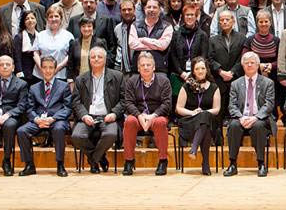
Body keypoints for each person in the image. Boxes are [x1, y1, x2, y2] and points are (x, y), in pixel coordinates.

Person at [17, 56, 72, 177]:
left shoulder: (64, 86)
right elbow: (29, 108)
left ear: (55, 69)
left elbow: (67, 108)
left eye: (51, 67)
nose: (48, 70)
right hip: (39, 120)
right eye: (45, 67)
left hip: (57, 120)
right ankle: (29, 165)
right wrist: (36, 119)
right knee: (22, 131)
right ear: (41, 69)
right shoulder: (33, 88)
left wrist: (53, 118)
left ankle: (60, 164)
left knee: (59, 129)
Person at [71, 46, 123, 174]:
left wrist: (114, 113)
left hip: (107, 117)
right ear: (89, 60)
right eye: (93, 57)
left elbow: (124, 100)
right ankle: (100, 157)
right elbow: (76, 102)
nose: (96, 59)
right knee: (77, 136)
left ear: (105, 60)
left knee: (111, 134)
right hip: (88, 117)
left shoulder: (117, 76)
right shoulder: (80, 79)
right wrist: (83, 116)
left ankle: (93, 160)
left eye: (99, 57)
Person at [224, 52, 276, 177]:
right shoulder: (235, 84)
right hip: (241, 117)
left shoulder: (268, 83)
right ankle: (232, 164)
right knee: (234, 126)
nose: (249, 65)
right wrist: (241, 117)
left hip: (259, 118)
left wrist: (255, 117)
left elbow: (268, 105)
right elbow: (232, 105)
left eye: (252, 62)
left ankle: (261, 163)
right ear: (242, 66)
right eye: (246, 63)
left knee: (258, 126)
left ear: (258, 65)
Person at [121, 52, 173, 176]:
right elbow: (128, 103)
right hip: (138, 116)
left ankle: (162, 160)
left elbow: (167, 104)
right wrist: (139, 115)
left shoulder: (163, 81)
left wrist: (152, 116)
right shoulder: (131, 81)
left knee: (160, 122)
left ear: (154, 67)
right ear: (138, 68)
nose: (145, 67)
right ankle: (129, 160)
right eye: (142, 65)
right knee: (129, 121)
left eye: (148, 65)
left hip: (156, 116)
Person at [175, 57, 220, 176]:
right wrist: (193, 112)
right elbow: (178, 108)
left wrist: (202, 113)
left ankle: (194, 149)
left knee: (205, 117)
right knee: (204, 121)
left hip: (207, 121)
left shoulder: (214, 87)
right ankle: (205, 163)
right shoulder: (186, 86)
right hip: (189, 121)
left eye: (203, 68)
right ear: (193, 71)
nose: (200, 71)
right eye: (197, 69)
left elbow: (216, 109)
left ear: (207, 70)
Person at [129, 0, 174, 79]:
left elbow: (163, 45)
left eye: (154, 7)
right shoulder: (135, 25)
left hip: (159, 69)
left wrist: (143, 40)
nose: (151, 10)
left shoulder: (167, 26)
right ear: (144, 9)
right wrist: (156, 45)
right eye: (149, 7)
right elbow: (132, 44)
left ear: (160, 10)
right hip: (138, 69)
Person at [33, 6, 75, 83]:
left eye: (56, 16)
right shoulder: (40, 35)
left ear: (61, 18)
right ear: (47, 19)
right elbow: (35, 53)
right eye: (51, 17)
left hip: (60, 75)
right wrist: (42, 68)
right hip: (40, 75)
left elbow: (70, 55)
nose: (53, 19)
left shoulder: (68, 36)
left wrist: (56, 69)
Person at [67, 17, 107, 83]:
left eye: (89, 26)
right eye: (83, 26)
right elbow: (70, 64)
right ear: (80, 28)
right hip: (78, 80)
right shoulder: (74, 43)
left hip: (96, 79)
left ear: (93, 28)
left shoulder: (100, 43)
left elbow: (105, 62)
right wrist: (71, 81)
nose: (86, 29)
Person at [12, 10, 41, 86]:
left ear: (36, 20)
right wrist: (19, 72)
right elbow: (16, 57)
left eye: (32, 18)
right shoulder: (19, 37)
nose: (30, 20)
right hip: (24, 74)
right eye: (27, 19)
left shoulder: (41, 36)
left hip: (38, 73)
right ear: (23, 22)